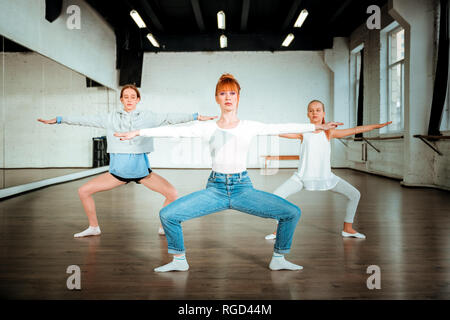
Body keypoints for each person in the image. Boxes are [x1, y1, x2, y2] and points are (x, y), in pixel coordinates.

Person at [114, 74, 343, 272]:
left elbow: (279, 127)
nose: (228, 97)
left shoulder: (249, 126)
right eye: (223, 93)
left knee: (291, 212)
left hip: (243, 188)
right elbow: (176, 131)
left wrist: (316, 127)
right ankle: (179, 260)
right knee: (168, 215)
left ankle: (279, 258)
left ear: (238, 97)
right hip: (215, 189)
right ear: (217, 98)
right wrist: (138, 132)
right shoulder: (208, 127)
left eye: (232, 93)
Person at [38, 84, 216, 238]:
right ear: (121, 100)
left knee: (172, 193)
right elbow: (84, 120)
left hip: (142, 173)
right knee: (83, 191)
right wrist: (59, 120)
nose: (129, 99)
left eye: (133, 96)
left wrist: (197, 116)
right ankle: (93, 227)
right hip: (117, 173)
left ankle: (164, 228)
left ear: (138, 99)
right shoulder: (110, 118)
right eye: (126, 97)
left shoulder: (148, 117)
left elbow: (171, 117)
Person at [264, 100, 392, 241]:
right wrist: (263, 129)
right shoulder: (304, 132)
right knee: (276, 197)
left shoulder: (328, 133)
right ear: (308, 114)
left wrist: (377, 126)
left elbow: (355, 130)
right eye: (311, 110)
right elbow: (280, 133)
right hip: (301, 178)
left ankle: (348, 229)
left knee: (355, 195)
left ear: (323, 113)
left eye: (318, 110)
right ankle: (279, 232)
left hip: (327, 178)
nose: (315, 113)